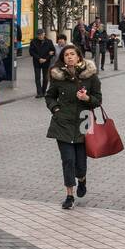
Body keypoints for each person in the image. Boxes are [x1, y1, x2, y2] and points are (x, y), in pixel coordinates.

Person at [45, 43, 103, 210]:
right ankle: (69, 195)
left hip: (83, 122)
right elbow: (49, 97)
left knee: (80, 163)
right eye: (66, 55)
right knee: (68, 160)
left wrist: (87, 99)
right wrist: (55, 108)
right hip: (62, 123)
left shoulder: (90, 76)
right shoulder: (57, 77)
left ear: (79, 57)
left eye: (72, 54)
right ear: (63, 59)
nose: (69, 57)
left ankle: (82, 179)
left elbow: (98, 100)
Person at [28, 28, 55, 98]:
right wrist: (39, 58)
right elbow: (31, 52)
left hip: (46, 62)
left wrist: (46, 59)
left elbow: (53, 51)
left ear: (44, 34)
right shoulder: (33, 42)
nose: (40, 36)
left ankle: (43, 91)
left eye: (41, 35)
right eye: (38, 35)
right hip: (37, 62)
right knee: (37, 77)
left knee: (45, 78)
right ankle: (39, 92)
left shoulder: (49, 42)